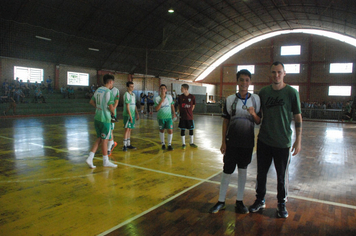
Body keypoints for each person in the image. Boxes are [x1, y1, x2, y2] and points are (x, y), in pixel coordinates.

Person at [249, 61, 302, 218]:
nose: (276, 75)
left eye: (279, 72)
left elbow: (298, 116)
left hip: (282, 142)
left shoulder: (292, 93)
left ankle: (281, 203)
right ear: (270, 74)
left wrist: (298, 140)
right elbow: (259, 118)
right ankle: (260, 200)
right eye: (273, 72)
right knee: (261, 173)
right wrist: (252, 114)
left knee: (281, 176)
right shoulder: (263, 93)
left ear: (284, 73)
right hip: (264, 140)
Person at [209, 69, 261, 214]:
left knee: (243, 171)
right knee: (227, 171)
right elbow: (225, 121)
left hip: (247, 143)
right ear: (237, 81)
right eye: (241, 80)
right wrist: (223, 142)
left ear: (250, 82)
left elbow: (258, 121)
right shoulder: (230, 99)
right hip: (231, 142)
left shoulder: (256, 99)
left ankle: (239, 201)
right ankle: (221, 201)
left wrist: (254, 114)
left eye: (247, 80)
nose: (244, 83)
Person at [86, 74, 117, 169]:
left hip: (97, 118)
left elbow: (91, 102)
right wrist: (113, 113)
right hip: (105, 119)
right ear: (111, 82)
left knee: (99, 138)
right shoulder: (108, 92)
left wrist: (99, 108)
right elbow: (111, 107)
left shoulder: (98, 90)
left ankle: (90, 157)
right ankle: (105, 161)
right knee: (105, 140)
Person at [154, 84, 177, 150]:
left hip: (169, 117)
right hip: (161, 118)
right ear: (159, 90)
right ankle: (163, 144)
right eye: (161, 88)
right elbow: (156, 109)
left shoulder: (169, 97)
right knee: (162, 130)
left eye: (164, 88)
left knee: (170, 130)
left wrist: (174, 114)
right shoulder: (157, 99)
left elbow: (172, 105)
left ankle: (169, 144)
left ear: (166, 90)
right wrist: (161, 102)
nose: (163, 90)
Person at [178, 84, 198, 149]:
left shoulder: (192, 97)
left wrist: (189, 111)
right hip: (182, 117)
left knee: (191, 130)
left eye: (182, 88)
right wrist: (178, 112)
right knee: (182, 130)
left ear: (186, 89)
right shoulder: (180, 97)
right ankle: (183, 144)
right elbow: (179, 105)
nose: (181, 89)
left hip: (189, 117)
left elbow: (193, 105)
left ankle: (191, 143)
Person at [123, 81, 139, 151]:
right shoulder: (126, 94)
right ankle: (124, 145)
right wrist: (130, 116)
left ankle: (128, 144)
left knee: (130, 129)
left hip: (132, 114)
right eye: (131, 87)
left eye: (133, 86)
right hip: (127, 115)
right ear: (127, 87)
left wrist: (137, 114)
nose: (132, 88)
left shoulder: (133, 95)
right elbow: (127, 106)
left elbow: (134, 105)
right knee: (127, 129)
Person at [107, 86, 119, 156]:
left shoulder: (116, 90)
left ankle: (109, 148)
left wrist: (113, 110)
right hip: (105, 112)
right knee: (108, 130)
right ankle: (112, 144)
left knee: (110, 130)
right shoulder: (104, 89)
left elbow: (116, 101)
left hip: (112, 113)